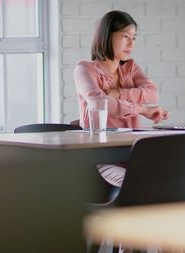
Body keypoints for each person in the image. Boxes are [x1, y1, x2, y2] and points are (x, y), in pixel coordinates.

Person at [74, 10, 169, 189]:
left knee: (174, 177)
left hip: (133, 154)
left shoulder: (130, 68)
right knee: (144, 185)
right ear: (107, 36)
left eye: (134, 37)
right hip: (101, 158)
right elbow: (100, 103)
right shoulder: (85, 69)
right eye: (125, 36)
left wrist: (118, 93)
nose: (131, 43)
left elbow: (152, 93)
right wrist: (142, 110)